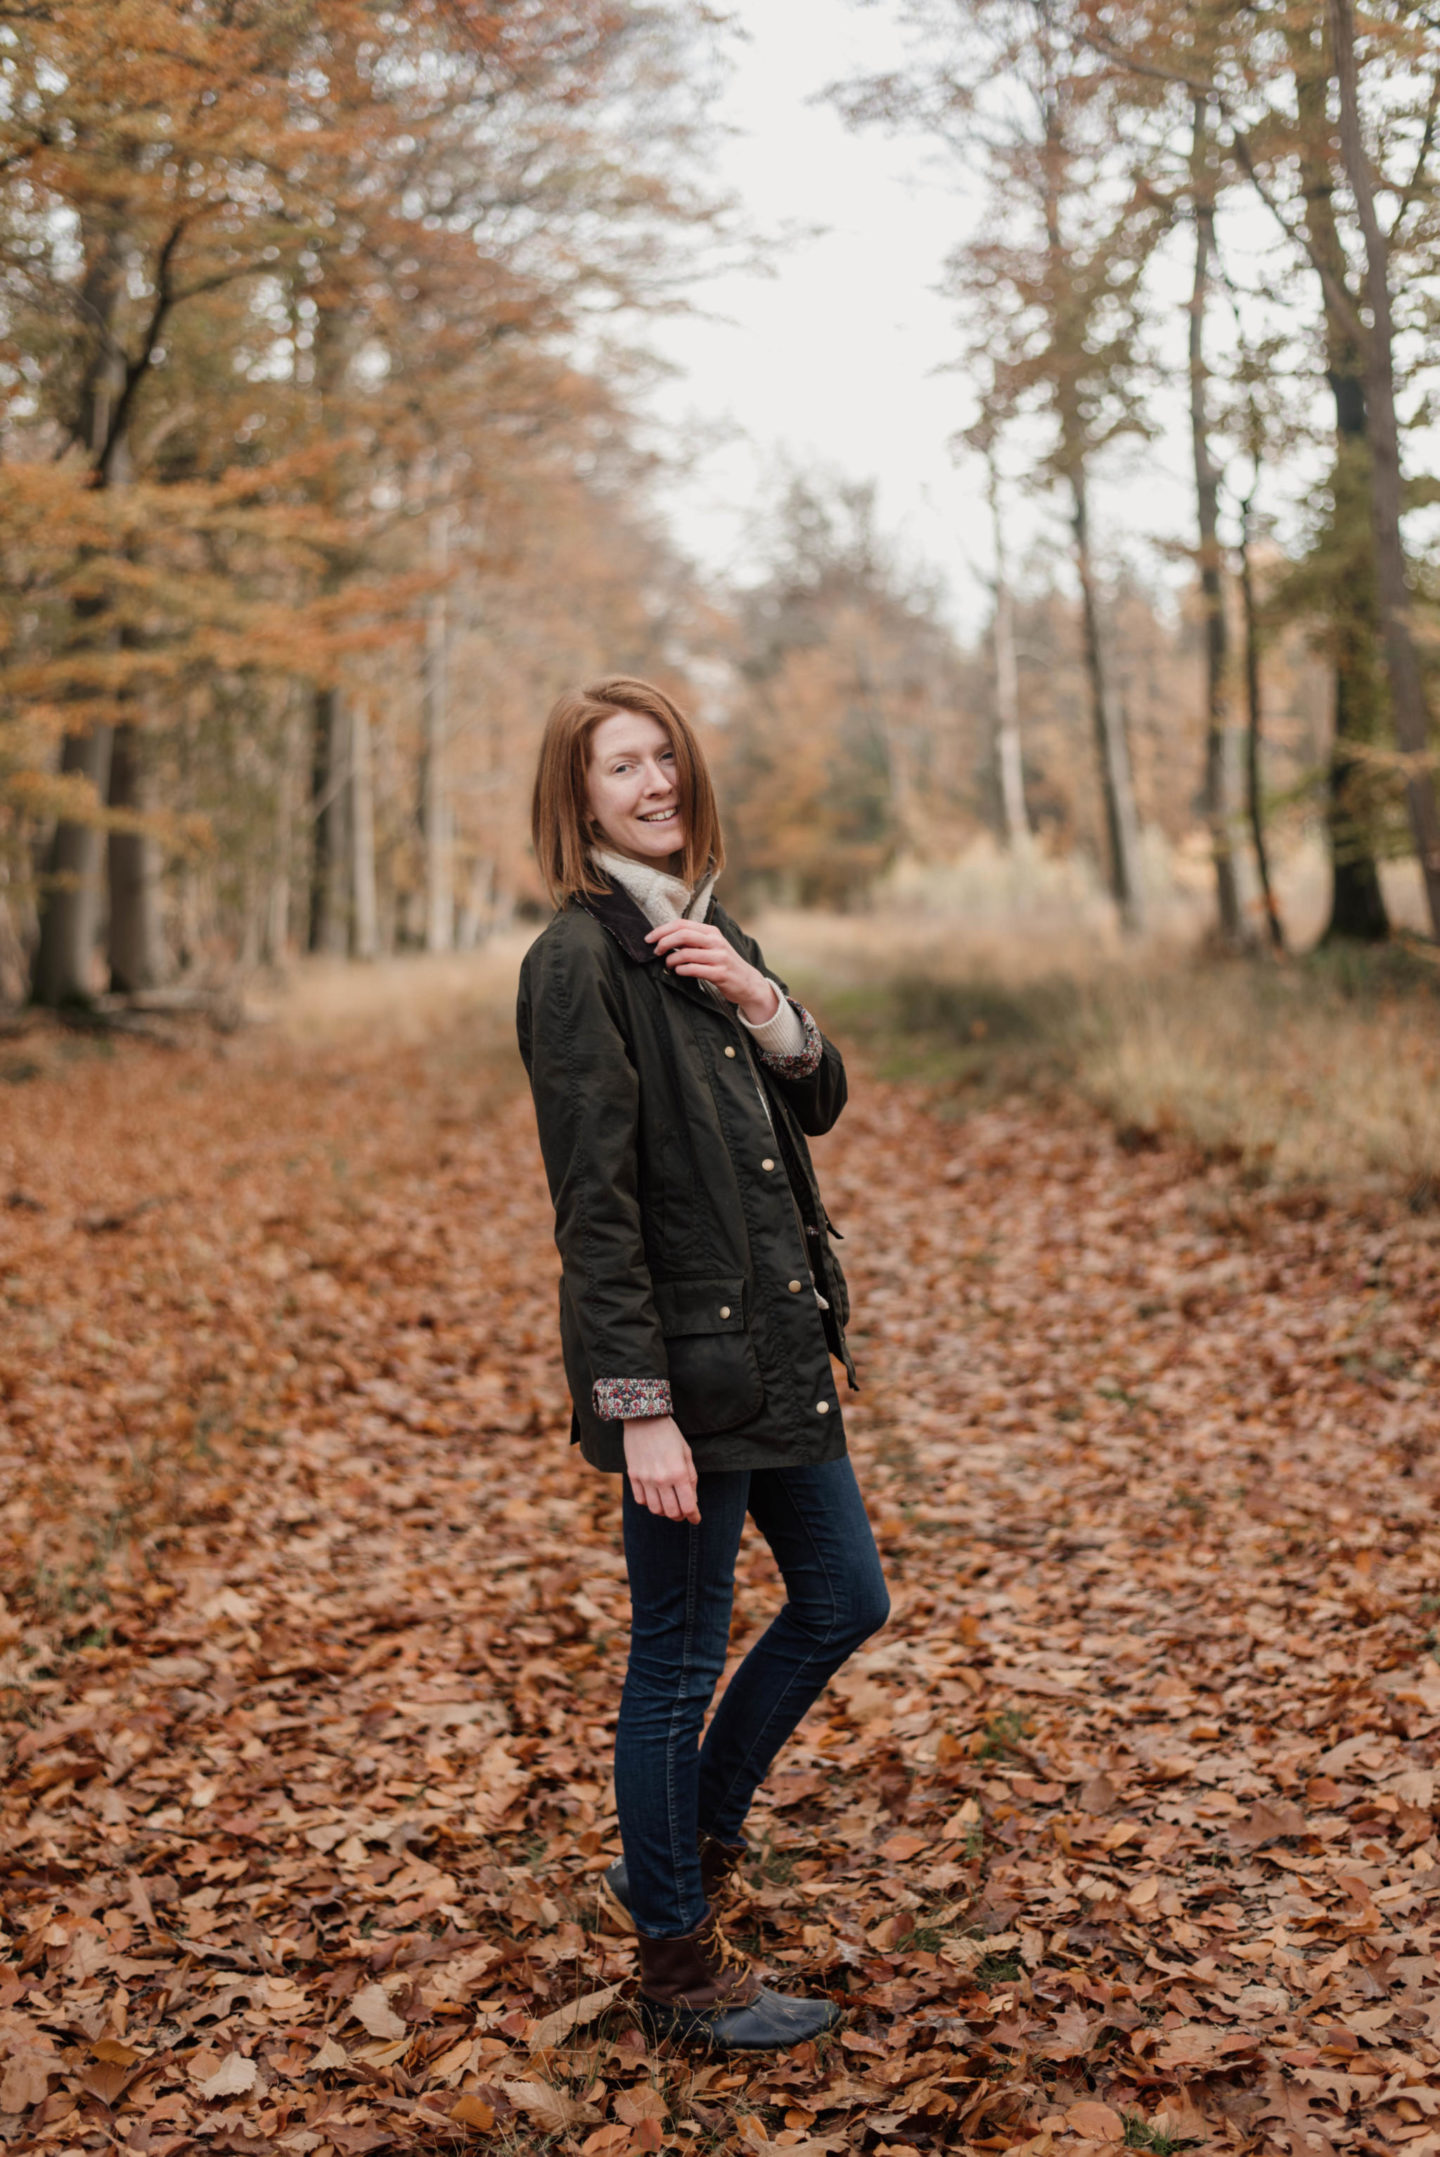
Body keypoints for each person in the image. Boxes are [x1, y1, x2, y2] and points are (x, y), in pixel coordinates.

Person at [516, 676, 889, 2051]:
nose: (655, 781)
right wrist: (638, 1414)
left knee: (848, 1596)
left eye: (666, 757)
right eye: (624, 766)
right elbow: (595, 1214)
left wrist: (765, 995)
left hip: (779, 1348)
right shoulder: (577, 961)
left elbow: (823, 1097)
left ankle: (676, 1845)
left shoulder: (704, 926)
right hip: (686, 1378)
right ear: (581, 796)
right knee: (674, 1661)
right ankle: (675, 1964)